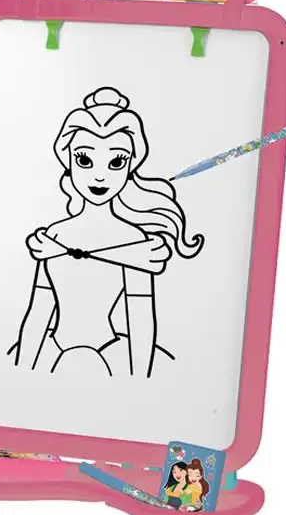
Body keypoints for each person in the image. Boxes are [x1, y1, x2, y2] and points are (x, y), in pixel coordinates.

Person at [12, 87, 203, 378]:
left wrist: (140, 380)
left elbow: (140, 319)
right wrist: (23, 369)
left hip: (111, 355)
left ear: (130, 165)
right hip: (52, 353)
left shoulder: (136, 242)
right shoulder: (54, 237)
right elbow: (38, 312)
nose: (100, 176)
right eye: (84, 160)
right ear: (68, 160)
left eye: (116, 162)